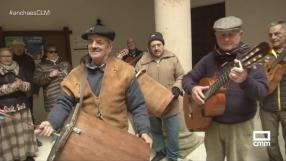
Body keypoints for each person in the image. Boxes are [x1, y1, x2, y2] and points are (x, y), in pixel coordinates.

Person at [34, 25, 152, 147]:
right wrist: (51, 122)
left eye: (99, 42)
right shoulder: (75, 74)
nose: (93, 45)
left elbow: (138, 105)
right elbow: (63, 103)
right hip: (87, 143)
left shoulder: (125, 71)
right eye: (90, 42)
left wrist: (144, 131)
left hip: (117, 142)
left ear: (109, 47)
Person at [182, 16, 268, 161]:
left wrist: (245, 80)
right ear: (216, 36)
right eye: (222, 35)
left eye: (231, 34)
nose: (226, 39)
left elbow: (262, 92)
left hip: (239, 126)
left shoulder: (250, 58)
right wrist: (193, 88)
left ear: (240, 34)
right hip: (211, 124)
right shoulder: (209, 59)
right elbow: (187, 78)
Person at [135, 32, 184, 161]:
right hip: (151, 104)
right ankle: (160, 151)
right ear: (149, 48)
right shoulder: (142, 62)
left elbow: (181, 76)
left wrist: (177, 88)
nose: (156, 48)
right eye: (153, 46)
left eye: (158, 44)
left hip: (170, 102)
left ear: (163, 45)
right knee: (155, 131)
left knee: (172, 133)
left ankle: (173, 156)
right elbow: (136, 79)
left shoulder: (172, 58)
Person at [0, 48, 38, 161]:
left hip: (22, 105)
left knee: (24, 131)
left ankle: (26, 155)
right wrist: (12, 87)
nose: (7, 58)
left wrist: (22, 85)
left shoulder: (19, 69)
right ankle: (11, 157)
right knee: (9, 135)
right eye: (3, 56)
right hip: (5, 109)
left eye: (9, 56)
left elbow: (29, 85)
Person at [260, 21, 286, 161]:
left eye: (277, 34)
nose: (273, 37)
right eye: (270, 34)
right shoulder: (264, 54)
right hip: (266, 108)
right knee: (268, 143)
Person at [33, 44, 71, 112]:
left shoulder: (66, 64)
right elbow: (36, 81)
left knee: (69, 120)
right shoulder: (41, 66)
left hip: (67, 97)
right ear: (46, 53)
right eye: (51, 52)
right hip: (52, 100)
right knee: (55, 121)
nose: (54, 53)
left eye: (55, 51)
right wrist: (49, 75)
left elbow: (74, 79)